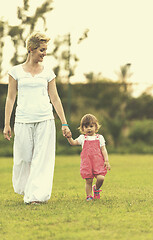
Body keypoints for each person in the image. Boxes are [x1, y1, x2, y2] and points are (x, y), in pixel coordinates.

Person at [3, 32, 71, 204]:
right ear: (31, 49)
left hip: (45, 119)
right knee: (23, 158)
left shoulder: (48, 73)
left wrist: (64, 122)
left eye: (45, 50)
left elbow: (55, 98)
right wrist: (7, 124)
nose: (44, 53)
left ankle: (36, 197)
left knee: (42, 159)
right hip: (22, 120)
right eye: (42, 50)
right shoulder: (15, 71)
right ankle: (27, 188)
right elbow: (11, 98)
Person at [67, 114, 111, 201]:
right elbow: (73, 143)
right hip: (87, 163)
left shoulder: (100, 138)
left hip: (98, 163)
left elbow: (103, 149)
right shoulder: (83, 138)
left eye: (91, 126)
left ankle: (96, 189)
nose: (89, 128)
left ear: (96, 127)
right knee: (88, 180)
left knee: (101, 178)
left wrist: (106, 161)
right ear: (82, 128)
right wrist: (69, 138)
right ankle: (89, 196)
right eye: (86, 126)